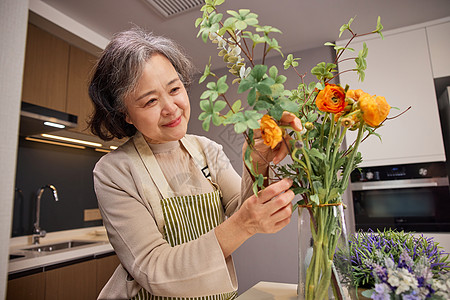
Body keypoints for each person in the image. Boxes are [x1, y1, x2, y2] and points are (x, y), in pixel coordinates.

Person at [88, 27, 302, 300]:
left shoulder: (206, 150)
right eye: (150, 100)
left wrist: (257, 158)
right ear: (126, 114)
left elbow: (242, 207)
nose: (171, 107)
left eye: (174, 88)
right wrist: (245, 224)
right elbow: (153, 270)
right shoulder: (114, 171)